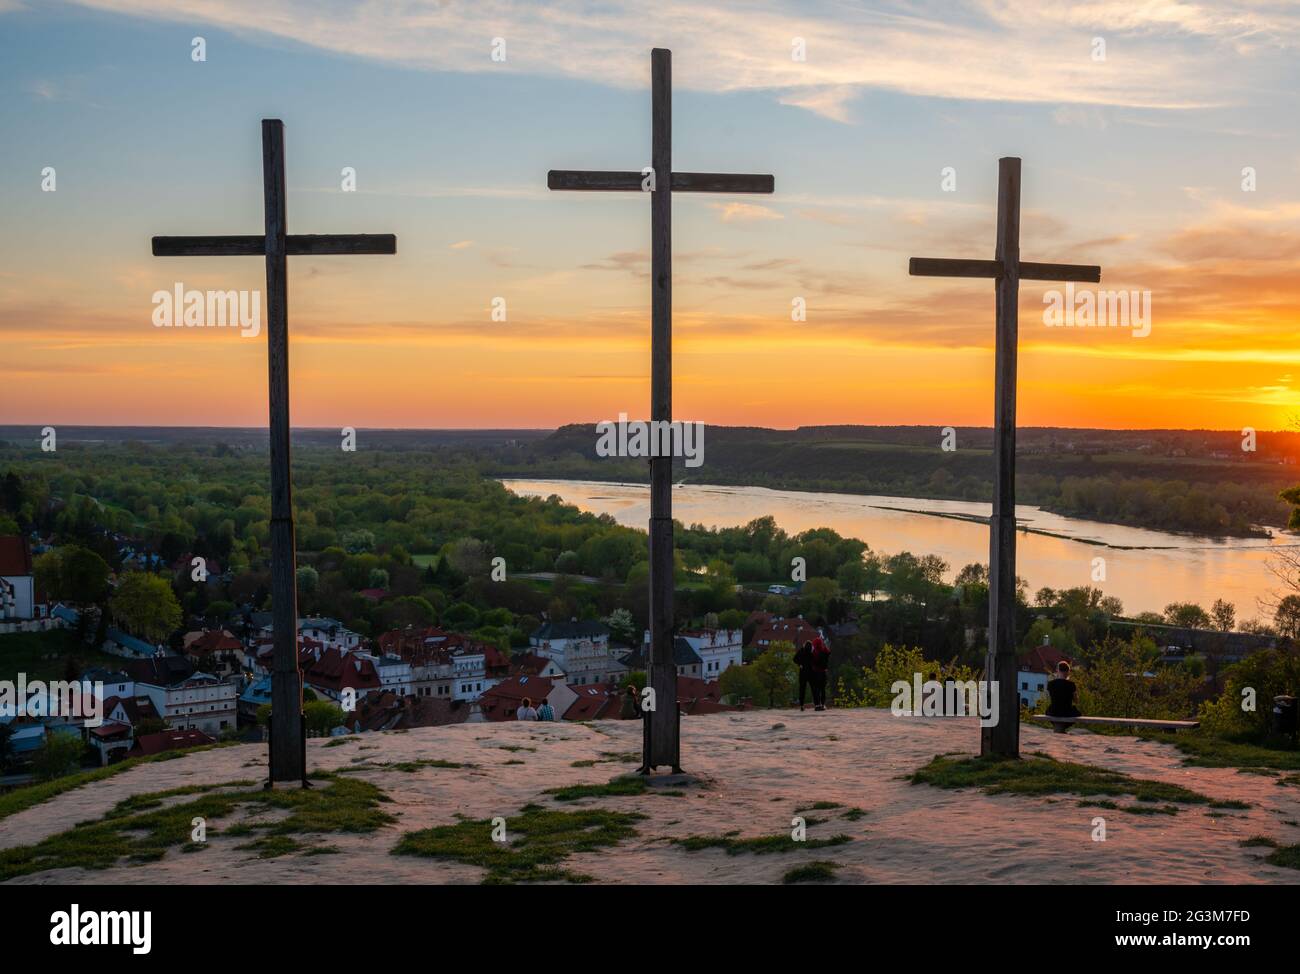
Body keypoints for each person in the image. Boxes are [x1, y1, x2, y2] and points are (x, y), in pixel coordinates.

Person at [1045, 661, 1081, 733]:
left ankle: (1059, 728)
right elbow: (1076, 701)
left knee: (1047, 710)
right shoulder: (1071, 684)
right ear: (1068, 671)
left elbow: (1050, 699)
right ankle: (1063, 728)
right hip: (1067, 712)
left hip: (1053, 711)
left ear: (1057, 670)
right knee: (1078, 713)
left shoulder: (1050, 684)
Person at [810, 634, 831, 711]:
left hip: (815, 673)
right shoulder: (825, 651)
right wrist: (824, 646)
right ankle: (822, 704)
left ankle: (817, 705)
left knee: (816, 690)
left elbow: (811, 662)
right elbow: (828, 652)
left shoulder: (814, 653)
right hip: (823, 673)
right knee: (823, 690)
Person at [794, 640, 815, 711]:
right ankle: (816, 703)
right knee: (813, 688)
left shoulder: (801, 651)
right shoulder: (811, 653)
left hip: (802, 672)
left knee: (802, 689)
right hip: (811, 673)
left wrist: (800, 664)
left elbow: (794, 659)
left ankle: (802, 705)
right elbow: (814, 662)